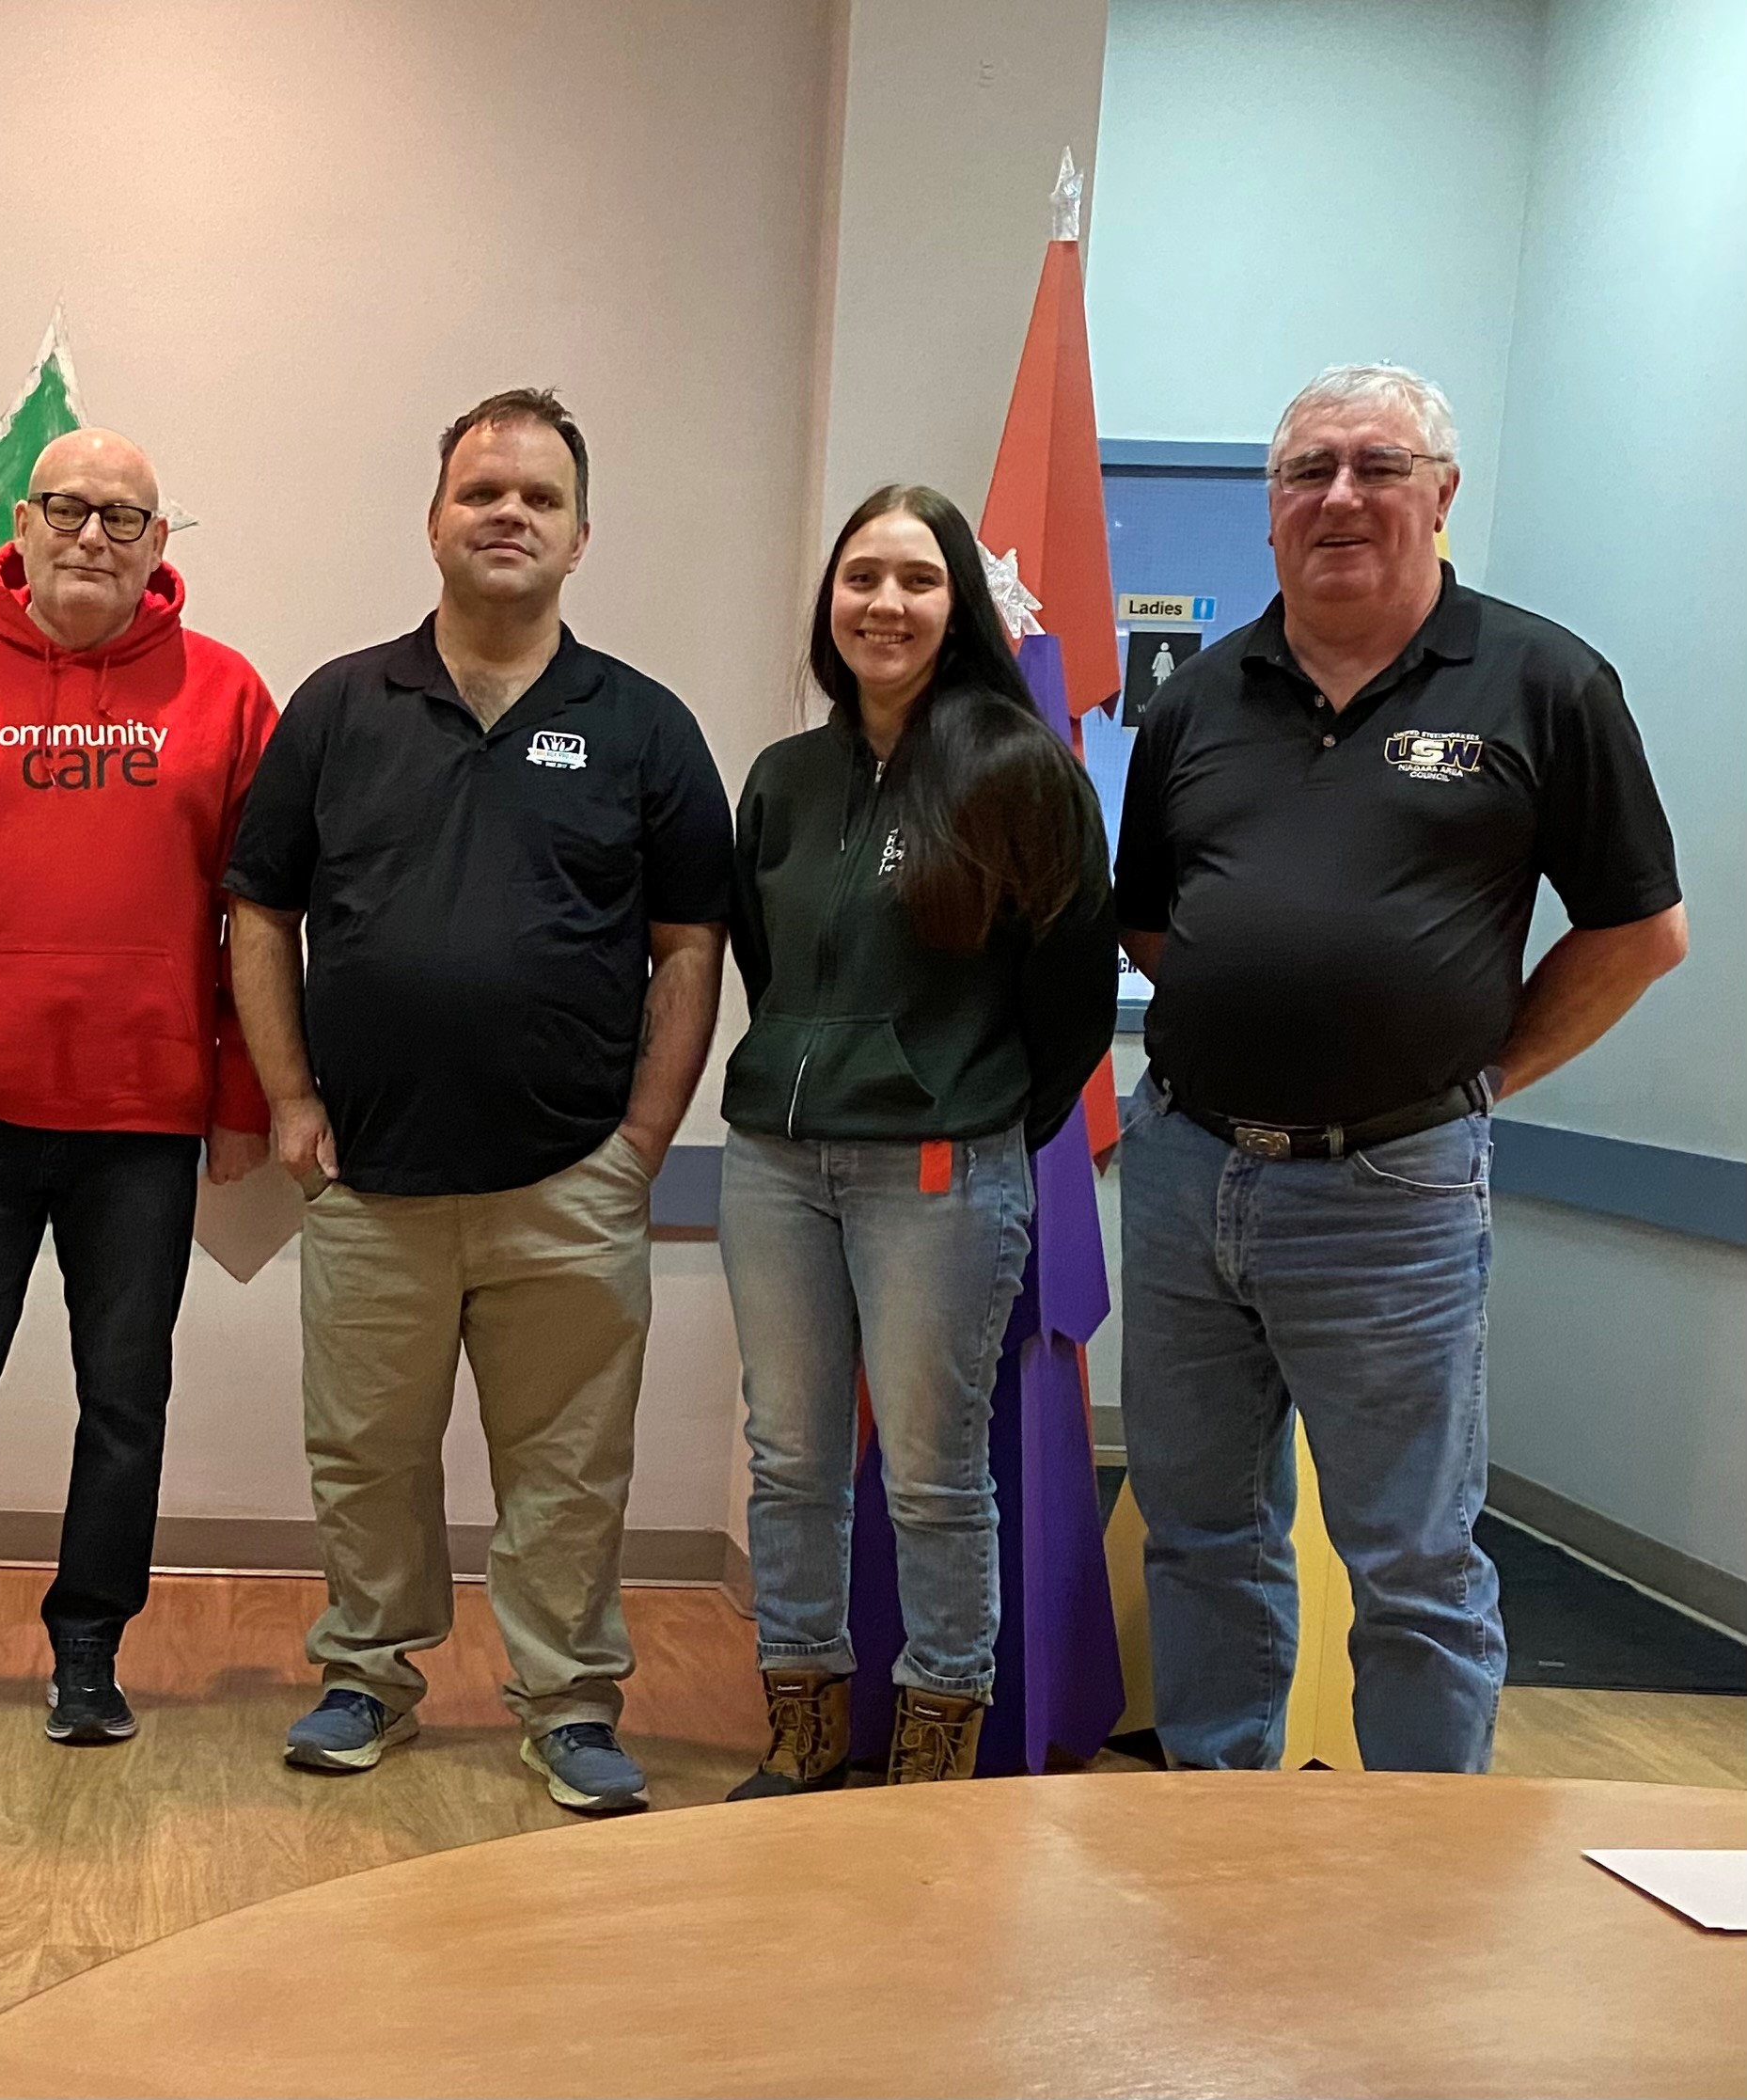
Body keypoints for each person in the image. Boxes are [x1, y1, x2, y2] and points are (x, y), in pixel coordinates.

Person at [1115, 364, 1686, 1774]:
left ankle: (1417, 1893)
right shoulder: (1196, 700)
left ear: (1440, 492)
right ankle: (1216, 1825)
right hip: (1187, 1171)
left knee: (1411, 1560)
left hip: (1391, 1194)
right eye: (1308, 470)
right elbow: (1151, 915)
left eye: (1378, 465)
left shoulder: (1541, 680)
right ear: (1268, 513)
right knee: (1197, 1530)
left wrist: (1477, 1077)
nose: (1340, 496)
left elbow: (1639, 932)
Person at [227, 387, 732, 1816]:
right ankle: (366, 1673)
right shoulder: (338, 706)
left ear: (578, 537)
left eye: (537, 498)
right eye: (480, 491)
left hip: (568, 1179)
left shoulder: (640, 725)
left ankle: (568, 1698)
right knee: (366, 1454)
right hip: (371, 1176)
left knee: (566, 1468)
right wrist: (286, 1096)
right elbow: (258, 910)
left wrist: (640, 1140)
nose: (506, 513)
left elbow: (689, 943)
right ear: (434, 519)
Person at [0, 430, 277, 1747]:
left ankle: (89, 1648)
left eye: (125, 517)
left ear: (159, 545)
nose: (95, 534)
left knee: (124, 1397)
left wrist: (243, 1093)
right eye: (70, 510)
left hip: (144, 1125)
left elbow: (256, 921)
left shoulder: (227, 696)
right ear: (18, 528)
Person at [716, 485, 1115, 1795]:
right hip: (776, 1164)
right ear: (828, 605)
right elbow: (770, 971)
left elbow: (1066, 1000)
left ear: (959, 606)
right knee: (789, 1461)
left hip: (941, 1174)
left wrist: (964, 1103)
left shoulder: (1016, 770)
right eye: (859, 579)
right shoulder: (782, 780)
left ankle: (935, 1746)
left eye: (916, 579)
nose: (884, 603)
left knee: (936, 1476)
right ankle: (804, 1729)